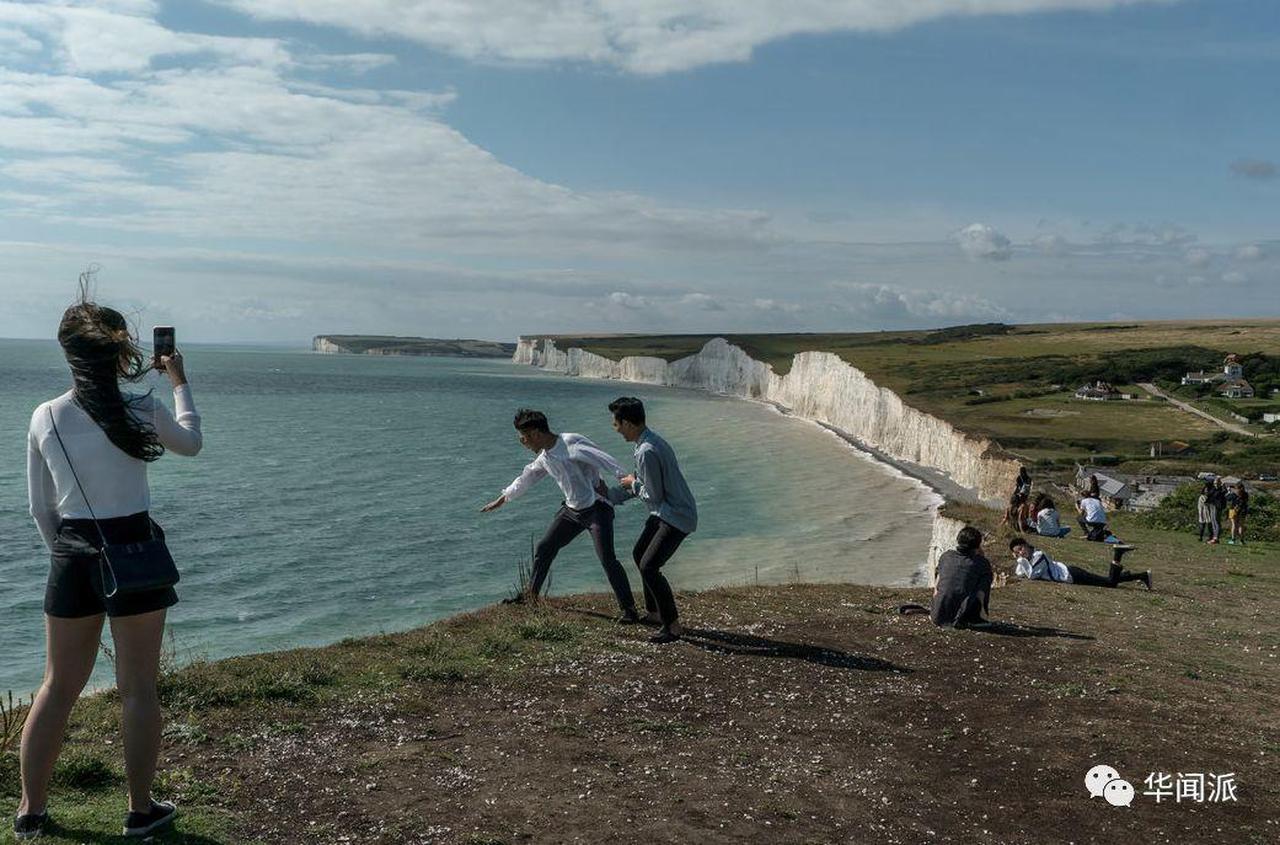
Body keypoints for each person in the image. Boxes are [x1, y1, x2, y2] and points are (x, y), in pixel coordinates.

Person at [17, 288, 202, 841]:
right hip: (136, 550)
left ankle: (31, 812)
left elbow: (39, 508)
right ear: (121, 354)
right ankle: (140, 811)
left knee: (56, 686)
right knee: (138, 688)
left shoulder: (45, 416)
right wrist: (179, 382)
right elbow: (191, 443)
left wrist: (70, 556)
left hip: (72, 552)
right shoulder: (142, 407)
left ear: (70, 354)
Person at [481, 409, 639, 621]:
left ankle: (629, 610)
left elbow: (603, 458)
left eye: (523, 437)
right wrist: (503, 499)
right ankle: (531, 596)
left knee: (607, 558)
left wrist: (625, 478)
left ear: (536, 433)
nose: (522, 442)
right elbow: (528, 476)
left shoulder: (570, 442)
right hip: (572, 511)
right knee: (545, 548)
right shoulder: (545, 457)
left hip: (597, 509)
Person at [604, 397, 698, 644]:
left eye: (616, 423)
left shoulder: (646, 451)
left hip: (675, 515)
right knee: (639, 554)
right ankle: (655, 613)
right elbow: (649, 487)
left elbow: (651, 493)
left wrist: (631, 484)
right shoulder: (649, 441)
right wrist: (612, 496)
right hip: (666, 512)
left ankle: (672, 625)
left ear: (627, 423)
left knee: (649, 566)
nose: (615, 429)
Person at [1009, 537, 1151, 590]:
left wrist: (1020, 560)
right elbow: (1019, 573)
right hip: (1071, 575)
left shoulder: (1038, 555)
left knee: (1110, 583)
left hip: (1072, 574)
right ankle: (1142, 576)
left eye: (1021, 549)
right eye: (1017, 552)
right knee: (1104, 580)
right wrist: (1021, 560)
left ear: (1026, 545)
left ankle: (1118, 554)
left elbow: (1032, 575)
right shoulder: (1030, 560)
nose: (1021, 553)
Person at [930, 526, 993, 628]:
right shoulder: (981, 563)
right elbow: (982, 592)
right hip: (959, 619)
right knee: (985, 577)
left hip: (936, 615)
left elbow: (937, 586)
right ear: (977, 545)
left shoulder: (946, 556)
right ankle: (975, 618)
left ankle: (940, 609)